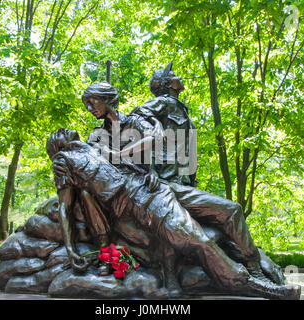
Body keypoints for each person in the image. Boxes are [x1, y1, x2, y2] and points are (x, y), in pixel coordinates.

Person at [47, 128, 301, 300]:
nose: (64, 131)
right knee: (197, 240)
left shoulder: (96, 145)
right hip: (140, 200)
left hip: (159, 186)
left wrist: (152, 171)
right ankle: (252, 284)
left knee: (231, 210)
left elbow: (136, 157)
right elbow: (65, 207)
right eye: (58, 133)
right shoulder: (63, 160)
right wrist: (70, 248)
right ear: (58, 144)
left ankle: (254, 265)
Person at [81, 80, 284, 285]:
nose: (90, 109)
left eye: (92, 102)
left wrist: (141, 165)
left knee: (231, 209)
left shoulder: (136, 122)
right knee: (188, 233)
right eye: (86, 104)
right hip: (140, 195)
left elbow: (156, 138)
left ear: (107, 99)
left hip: (162, 183)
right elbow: (95, 169)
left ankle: (254, 266)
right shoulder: (96, 136)